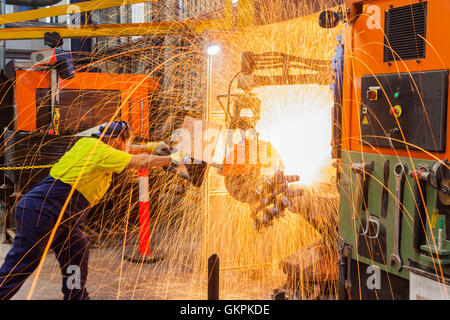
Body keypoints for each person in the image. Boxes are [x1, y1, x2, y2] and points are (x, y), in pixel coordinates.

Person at [0, 121, 180, 300]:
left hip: (58, 215)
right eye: (127, 141)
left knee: (77, 248)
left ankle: (75, 297)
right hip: (44, 212)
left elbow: (126, 150)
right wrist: (173, 159)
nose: (128, 146)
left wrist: (152, 146)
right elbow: (136, 161)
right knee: (22, 264)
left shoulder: (89, 144)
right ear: (117, 140)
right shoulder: (102, 153)